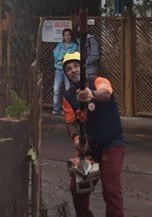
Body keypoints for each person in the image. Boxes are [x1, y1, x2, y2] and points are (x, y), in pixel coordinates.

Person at [61, 51, 125, 217]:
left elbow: (106, 93)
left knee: (111, 191)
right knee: (77, 189)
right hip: (89, 151)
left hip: (112, 145)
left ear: (83, 68)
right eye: (68, 69)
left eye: (76, 66)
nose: (73, 70)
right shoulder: (68, 96)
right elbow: (70, 123)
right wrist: (76, 139)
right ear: (66, 74)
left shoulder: (98, 81)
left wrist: (92, 94)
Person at [52, 28, 78, 116]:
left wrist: (62, 57)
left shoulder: (74, 45)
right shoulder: (59, 45)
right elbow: (56, 55)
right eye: (65, 35)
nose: (67, 37)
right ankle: (56, 109)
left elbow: (71, 56)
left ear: (71, 36)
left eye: (69, 35)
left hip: (68, 70)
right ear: (63, 37)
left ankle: (67, 110)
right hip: (59, 69)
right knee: (56, 89)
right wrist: (63, 57)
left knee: (68, 90)